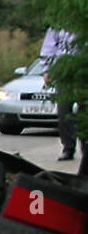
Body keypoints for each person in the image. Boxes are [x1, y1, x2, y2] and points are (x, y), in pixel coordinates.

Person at [41, 28, 81, 162]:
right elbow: (49, 47)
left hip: (83, 71)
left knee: (84, 111)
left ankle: (86, 149)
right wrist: (47, 69)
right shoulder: (57, 26)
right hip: (65, 73)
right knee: (64, 111)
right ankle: (68, 148)